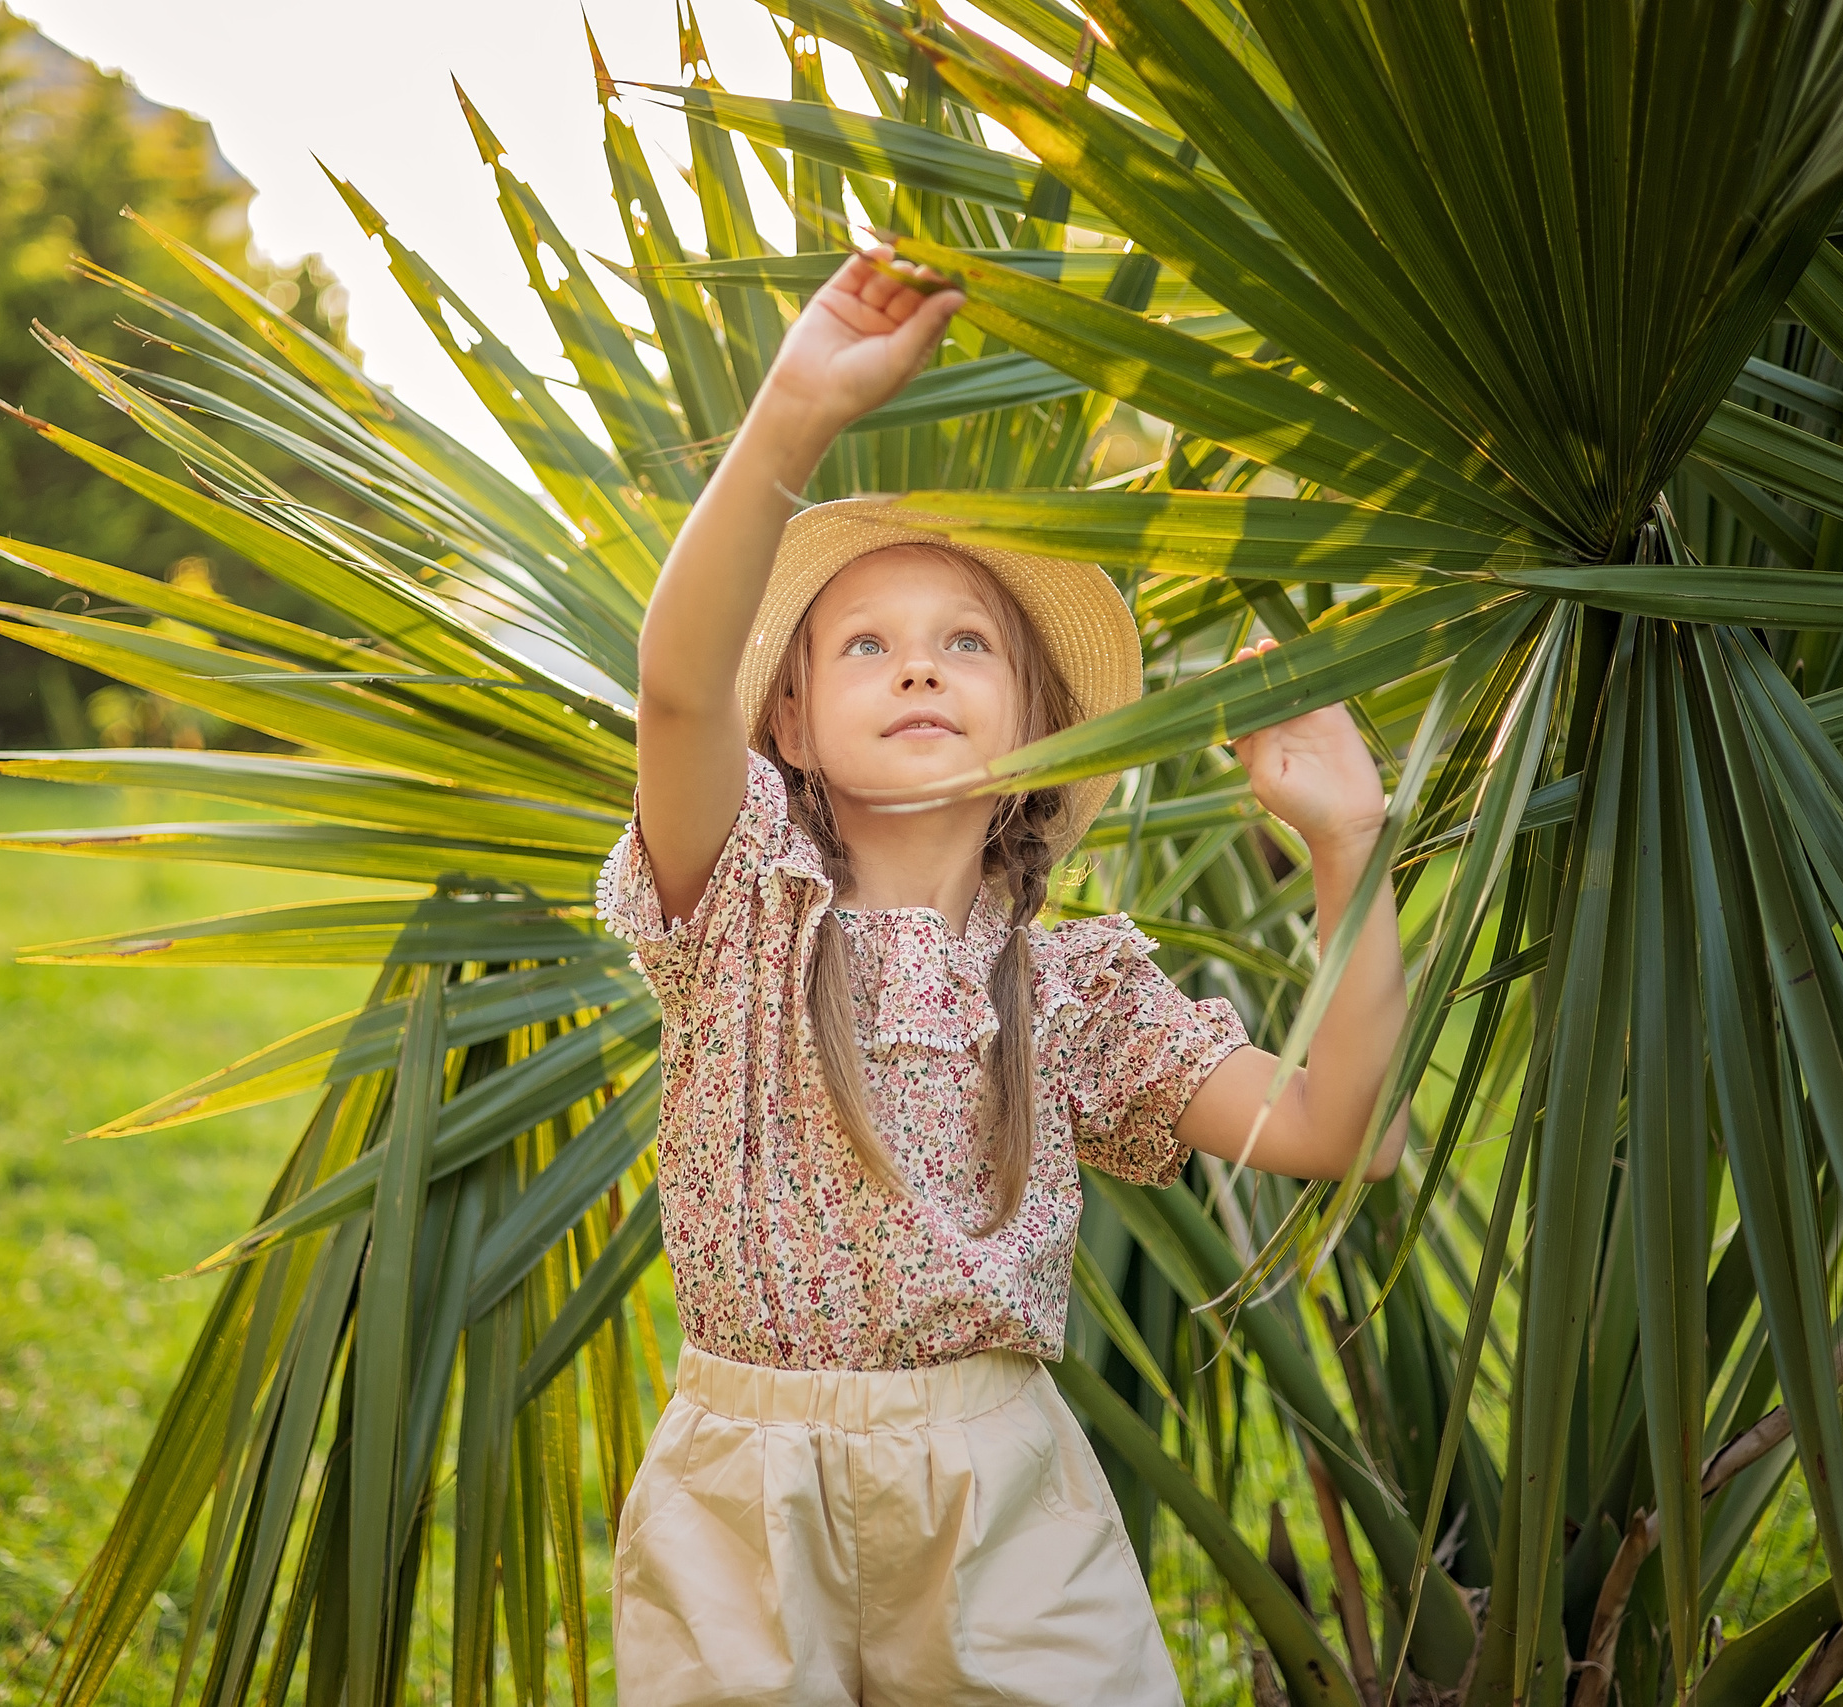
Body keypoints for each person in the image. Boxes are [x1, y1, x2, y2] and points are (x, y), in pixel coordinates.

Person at [599, 247, 1410, 1707]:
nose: (920, 670)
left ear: (1034, 714)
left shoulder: (1076, 994)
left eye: (965, 643)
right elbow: (673, 684)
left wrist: (1351, 848)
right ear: (786, 716)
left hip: (999, 1494)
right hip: (740, 1497)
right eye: (868, 646)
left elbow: (1338, 1132)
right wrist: (790, 414)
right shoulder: (740, 903)